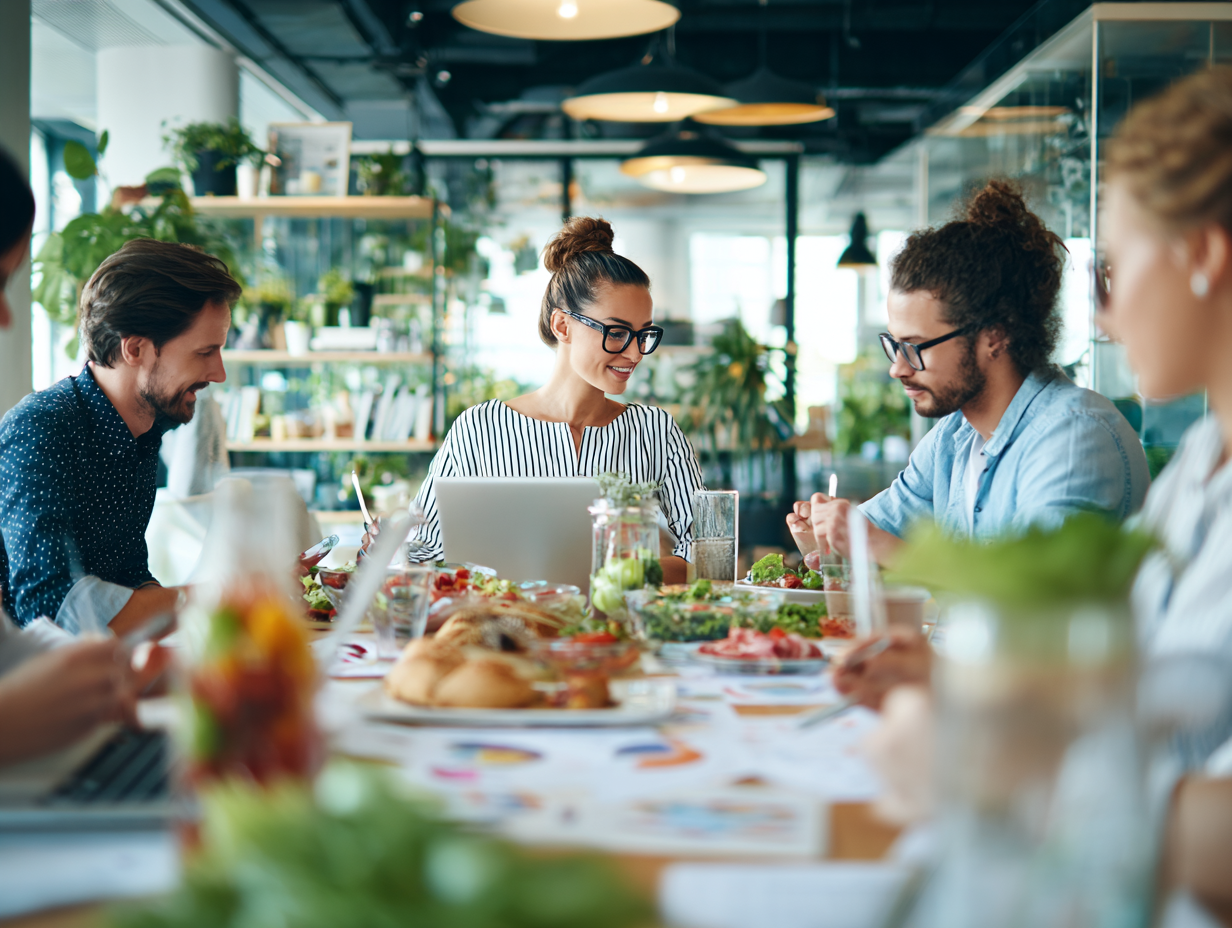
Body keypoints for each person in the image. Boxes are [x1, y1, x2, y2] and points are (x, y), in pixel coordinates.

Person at [788, 182, 1150, 566]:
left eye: (915, 347)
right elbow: (859, 549)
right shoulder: (954, 438)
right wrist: (822, 539)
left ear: (994, 336)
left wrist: (873, 544)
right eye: (894, 344)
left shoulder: (1075, 436)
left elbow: (1030, 602)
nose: (898, 367)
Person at [374, 217, 705, 583]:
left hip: (618, 633)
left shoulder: (654, 430)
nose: (635, 354)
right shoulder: (481, 428)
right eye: (617, 332)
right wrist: (386, 551)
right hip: (508, 631)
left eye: (643, 335)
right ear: (562, 326)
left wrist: (629, 573)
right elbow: (427, 552)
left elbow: (707, 550)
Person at [0, 237, 238, 634]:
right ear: (136, 349)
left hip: (105, 674)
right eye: (204, 352)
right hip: (32, 685)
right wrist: (221, 596)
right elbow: (52, 609)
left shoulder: (143, 430)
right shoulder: (40, 430)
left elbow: (129, 579)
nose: (219, 373)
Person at [0, 146, 140, 764]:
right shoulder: (42, 428)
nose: (7, 317)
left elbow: (13, 649)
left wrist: (108, 671)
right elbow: (51, 606)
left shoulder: (138, 439)